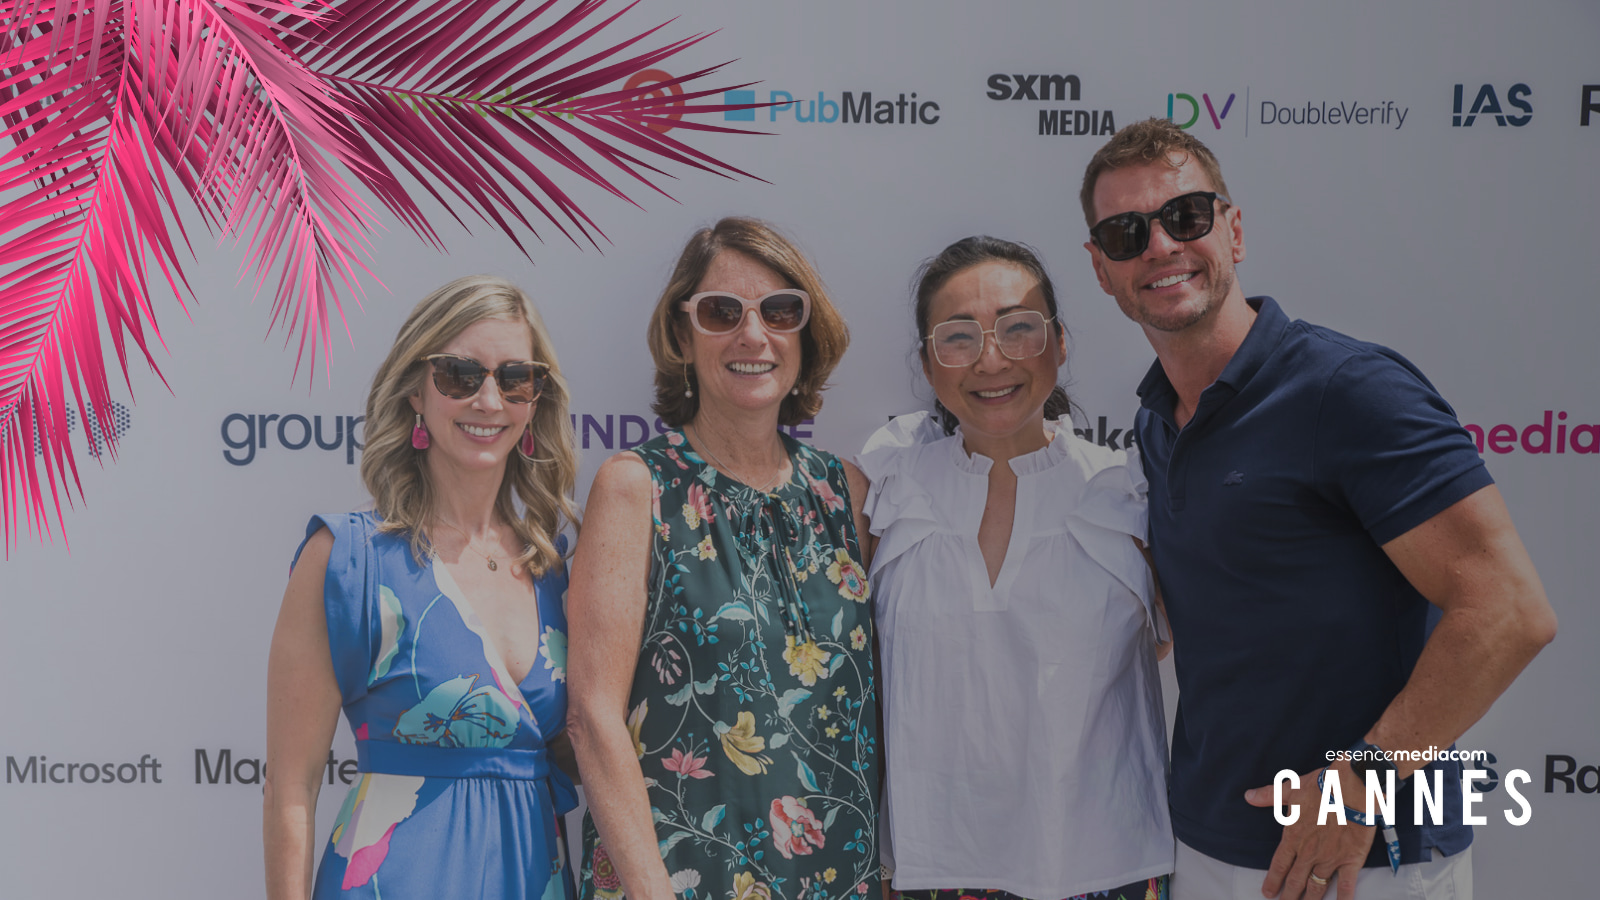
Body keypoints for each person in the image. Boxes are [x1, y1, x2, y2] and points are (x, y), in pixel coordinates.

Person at [1079, 118, 1557, 900]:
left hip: (1369, 860)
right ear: (1102, 269)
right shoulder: (1156, 417)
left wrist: (1359, 783)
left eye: (1186, 217)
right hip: (1205, 844)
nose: (1161, 245)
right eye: (1127, 233)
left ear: (1233, 229)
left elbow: (1509, 610)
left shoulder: (1349, 389)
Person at [566, 217, 879, 900]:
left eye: (780, 310)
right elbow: (592, 715)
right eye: (720, 312)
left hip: (838, 882)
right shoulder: (635, 489)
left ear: (805, 330)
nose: (753, 334)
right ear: (682, 335)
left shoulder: (846, 494)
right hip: (681, 881)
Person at [857, 236, 1172, 900]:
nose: (991, 360)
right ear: (928, 362)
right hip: (927, 869)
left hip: (1103, 867)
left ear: (1059, 343)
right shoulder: (887, 486)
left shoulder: (1129, 489)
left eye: (1018, 329)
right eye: (959, 337)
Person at [264, 275, 582, 900]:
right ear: (416, 389)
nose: (490, 400)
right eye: (461, 375)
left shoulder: (554, 569)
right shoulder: (347, 561)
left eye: (515, 378)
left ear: (535, 399)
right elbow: (290, 790)